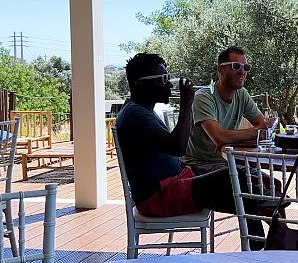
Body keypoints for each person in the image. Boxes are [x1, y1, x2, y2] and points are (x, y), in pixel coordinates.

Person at [115, 53, 269, 250]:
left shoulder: (141, 111)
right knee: (234, 178)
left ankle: (264, 248)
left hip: (173, 184)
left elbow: (170, 153)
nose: (169, 85)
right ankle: (268, 244)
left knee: (246, 197)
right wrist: (187, 104)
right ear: (141, 84)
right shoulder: (136, 115)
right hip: (158, 198)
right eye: (163, 80)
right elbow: (178, 147)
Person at [183, 46, 266, 173]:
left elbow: (262, 125)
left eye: (246, 67)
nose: (242, 72)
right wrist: (256, 132)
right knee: (251, 186)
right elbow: (219, 137)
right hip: (200, 163)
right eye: (236, 66)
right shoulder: (203, 98)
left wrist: (257, 130)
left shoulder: (241, 94)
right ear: (220, 69)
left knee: (272, 184)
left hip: (229, 160)